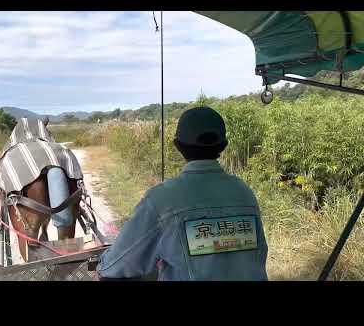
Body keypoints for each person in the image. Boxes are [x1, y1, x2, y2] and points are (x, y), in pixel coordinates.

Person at [96, 106, 268, 281]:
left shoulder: (162, 199)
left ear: (178, 145)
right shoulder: (244, 192)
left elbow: (114, 266)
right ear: (223, 145)